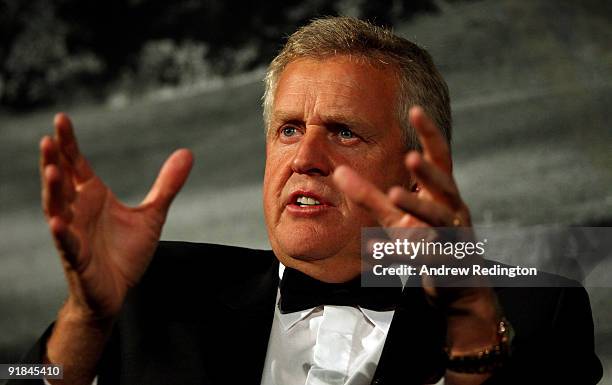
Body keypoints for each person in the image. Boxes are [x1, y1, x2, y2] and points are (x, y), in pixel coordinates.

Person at [11, 17, 601, 385]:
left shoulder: (534, 316)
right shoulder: (151, 285)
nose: (305, 158)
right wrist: (85, 320)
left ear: (419, 171)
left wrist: (470, 329)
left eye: (344, 131)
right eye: (289, 130)